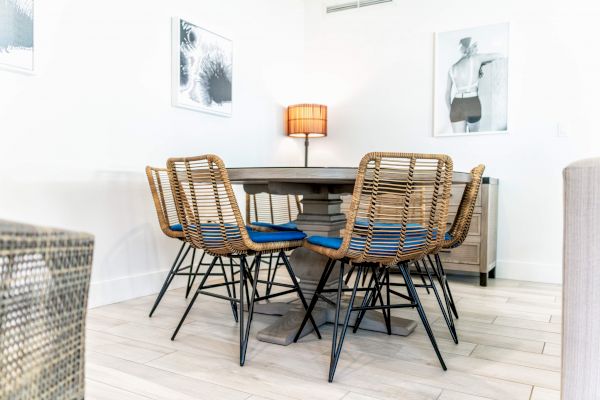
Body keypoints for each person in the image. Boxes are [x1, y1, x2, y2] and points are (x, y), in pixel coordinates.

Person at [445, 37, 501, 133]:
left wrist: (451, 111)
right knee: (473, 139)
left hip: (456, 104)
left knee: (458, 141)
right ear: (469, 47)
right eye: (474, 45)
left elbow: (447, 96)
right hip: (472, 102)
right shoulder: (476, 58)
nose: (477, 48)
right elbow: (499, 55)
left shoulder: (452, 68)